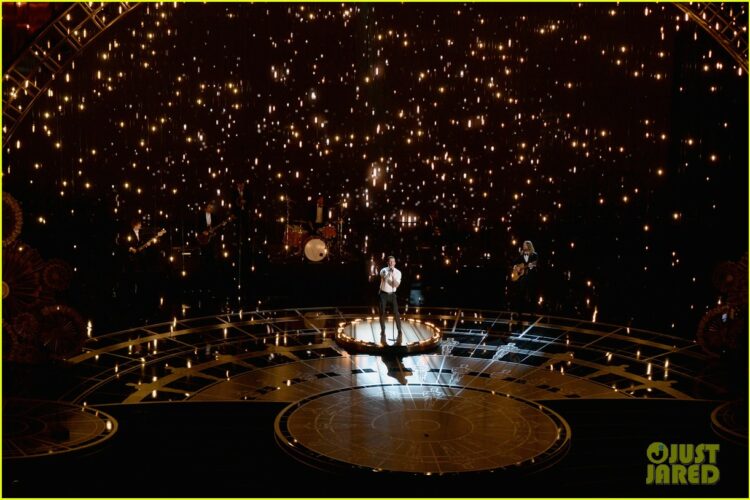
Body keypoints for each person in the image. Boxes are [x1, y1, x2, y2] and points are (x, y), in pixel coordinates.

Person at [510, 240, 539, 328]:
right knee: (520, 296)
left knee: (531, 296)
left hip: (531, 279)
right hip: (522, 280)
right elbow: (514, 263)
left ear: (529, 246)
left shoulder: (534, 255)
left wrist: (529, 266)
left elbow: (534, 264)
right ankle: (519, 314)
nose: (523, 246)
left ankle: (532, 314)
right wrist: (516, 267)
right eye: (523, 245)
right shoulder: (521, 255)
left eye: (525, 245)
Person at [379, 255, 403, 346]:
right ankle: (383, 331)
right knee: (382, 313)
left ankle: (399, 331)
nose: (391, 263)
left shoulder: (398, 272)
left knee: (396, 312)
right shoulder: (383, 270)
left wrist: (393, 276)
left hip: (392, 294)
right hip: (383, 294)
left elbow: (396, 285)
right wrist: (390, 275)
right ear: (387, 263)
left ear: (395, 263)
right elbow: (385, 278)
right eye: (389, 262)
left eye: (393, 261)